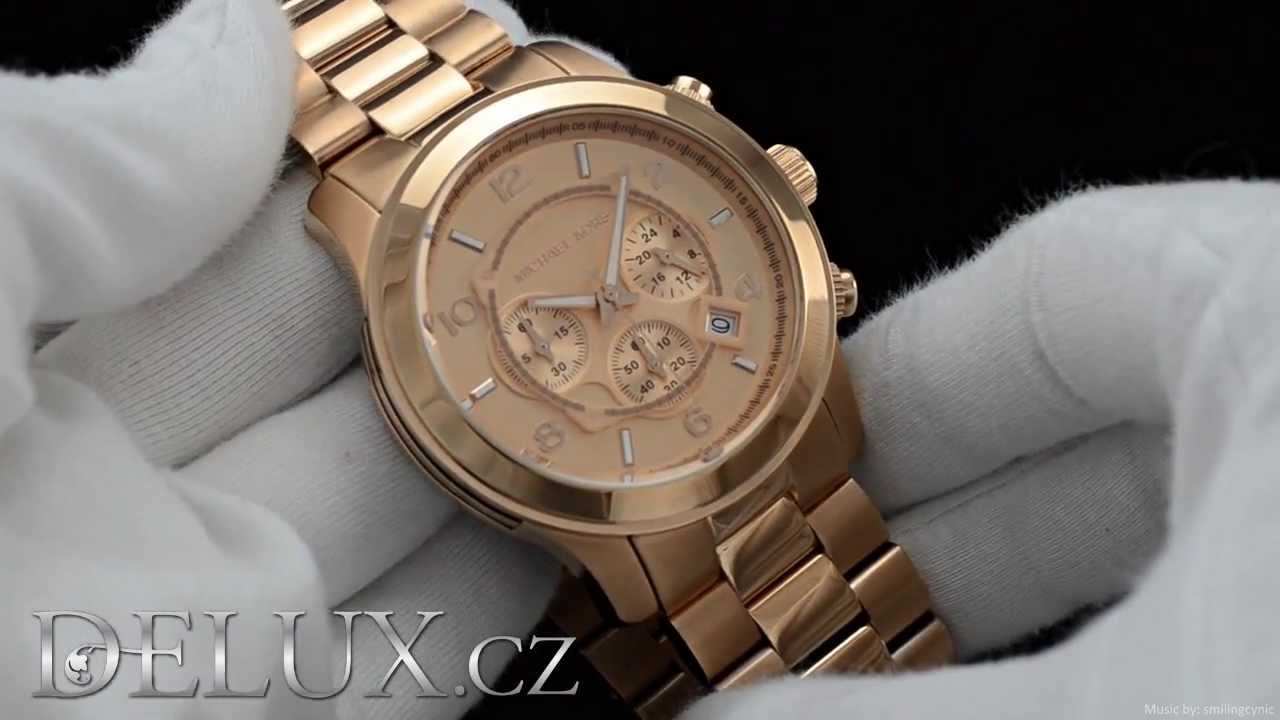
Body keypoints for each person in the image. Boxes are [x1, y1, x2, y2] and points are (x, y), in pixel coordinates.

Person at [1, 1, 1276, 718]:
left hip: (726, 425)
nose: (618, 298)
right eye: (595, 304)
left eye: (639, 275)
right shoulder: (357, 218)